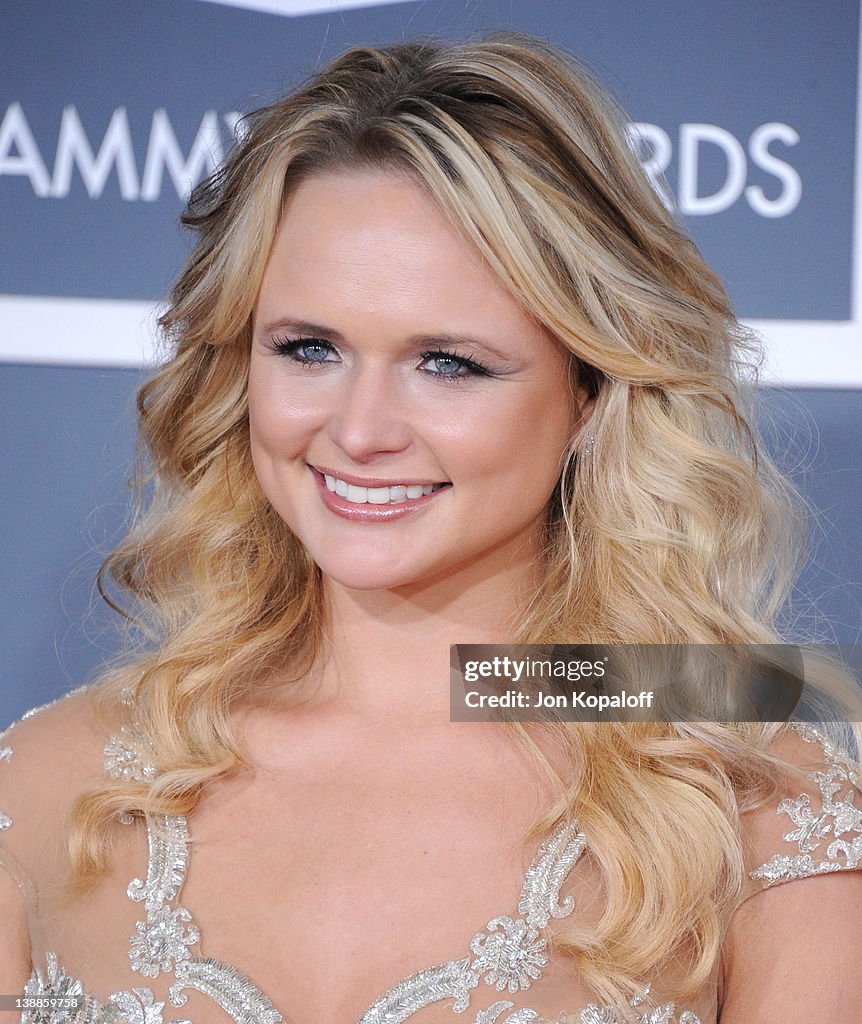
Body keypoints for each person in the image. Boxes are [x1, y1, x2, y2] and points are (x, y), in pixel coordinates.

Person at [1, 31, 860, 1024]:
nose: (359, 430)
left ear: (589, 391)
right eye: (308, 347)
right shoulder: (48, 787)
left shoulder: (759, 800)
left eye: (447, 362)